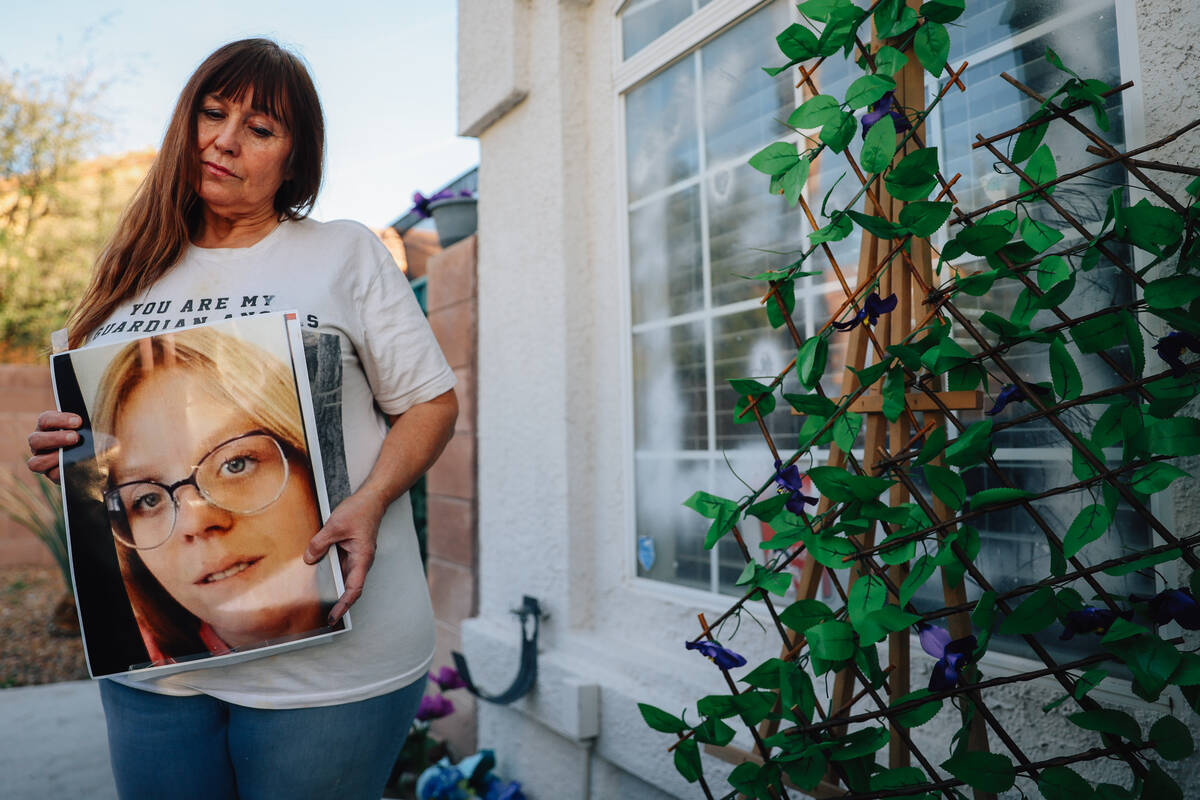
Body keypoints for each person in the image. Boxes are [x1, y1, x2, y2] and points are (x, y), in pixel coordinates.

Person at [26, 38, 458, 800]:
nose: (225, 140)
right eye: (213, 114)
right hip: (158, 681)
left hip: (332, 672)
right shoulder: (126, 276)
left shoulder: (343, 253)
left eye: (260, 129)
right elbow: (112, 464)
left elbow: (430, 402)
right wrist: (72, 453)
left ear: (294, 161)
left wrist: (369, 500)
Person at [91, 326, 338, 665]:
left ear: (307, 463)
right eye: (148, 499)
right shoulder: (135, 670)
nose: (196, 521)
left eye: (235, 464)